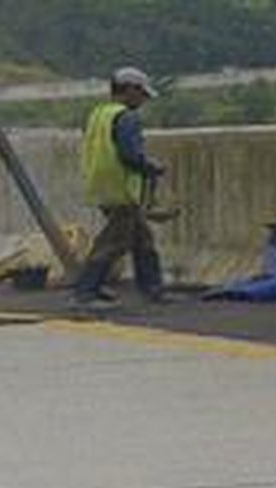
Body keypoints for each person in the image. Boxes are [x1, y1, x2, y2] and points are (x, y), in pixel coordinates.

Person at [71, 66, 170, 310]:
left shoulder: (99, 114)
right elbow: (130, 155)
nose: (144, 99)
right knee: (112, 243)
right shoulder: (126, 117)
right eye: (141, 93)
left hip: (102, 186)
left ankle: (152, 289)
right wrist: (151, 166)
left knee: (142, 239)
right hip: (121, 188)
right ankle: (85, 293)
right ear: (129, 90)